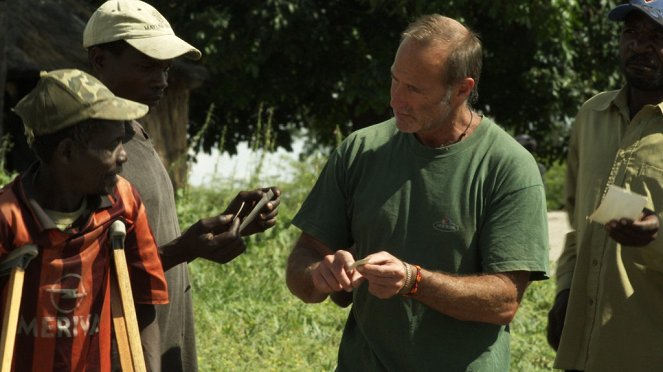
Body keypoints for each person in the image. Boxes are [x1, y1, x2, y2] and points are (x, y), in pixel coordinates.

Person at [285, 14, 549, 370]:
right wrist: (320, 275)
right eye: (395, 80)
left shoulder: (507, 166)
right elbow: (303, 261)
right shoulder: (360, 151)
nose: (396, 100)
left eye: (415, 89)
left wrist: (414, 281)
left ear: (462, 90)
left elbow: (503, 302)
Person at [82, 1, 281, 370]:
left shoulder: (133, 133)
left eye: (166, 68)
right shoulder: (83, 151)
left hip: (160, 336)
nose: (162, 80)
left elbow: (145, 238)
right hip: (119, 350)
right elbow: (77, 273)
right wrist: (183, 250)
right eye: (147, 67)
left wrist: (228, 224)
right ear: (99, 60)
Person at [1, 69, 167, 371]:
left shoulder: (123, 204)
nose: (123, 156)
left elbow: (142, 302)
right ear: (66, 152)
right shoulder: (7, 217)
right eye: (113, 144)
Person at [548, 1, 663, 370]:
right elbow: (575, 223)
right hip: (583, 349)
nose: (640, 46)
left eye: (657, 36)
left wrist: (656, 236)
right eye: (632, 33)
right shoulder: (591, 115)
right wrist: (565, 291)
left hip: (647, 349)